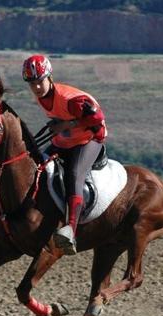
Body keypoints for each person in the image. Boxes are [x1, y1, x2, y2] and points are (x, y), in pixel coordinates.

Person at [22, 54, 108, 255]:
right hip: (64, 140)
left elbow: (97, 119)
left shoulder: (70, 100)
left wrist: (67, 124)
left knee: (74, 174)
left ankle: (70, 229)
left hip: (89, 139)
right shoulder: (42, 96)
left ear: (49, 77)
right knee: (35, 167)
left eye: (39, 81)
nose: (36, 87)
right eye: (31, 83)